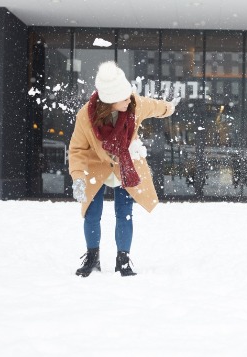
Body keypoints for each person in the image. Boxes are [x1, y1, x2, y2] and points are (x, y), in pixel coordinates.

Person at [69, 61, 180, 277]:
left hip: (125, 164)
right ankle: (92, 257)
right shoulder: (86, 116)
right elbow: (77, 149)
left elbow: (155, 106)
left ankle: (123, 259)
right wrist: (78, 178)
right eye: (123, 96)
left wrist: (170, 107)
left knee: (124, 214)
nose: (129, 98)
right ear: (109, 100)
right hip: (96, 166)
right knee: (92, 213)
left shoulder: (134, 105)